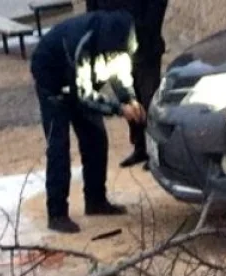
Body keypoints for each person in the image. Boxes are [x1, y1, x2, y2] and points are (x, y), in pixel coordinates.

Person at [29, 10, 148, 234]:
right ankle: (57, 213)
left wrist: (130, 99)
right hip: (52, 80)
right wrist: (119, 109)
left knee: (96, 138)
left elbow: (119, 73)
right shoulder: (81, 45)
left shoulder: (119, 40)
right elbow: (84, 96)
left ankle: (95, 200)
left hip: (79, 80)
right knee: (59, 146)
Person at [86, 0, 169, 168]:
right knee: (128, 97)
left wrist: (147, 28)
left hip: (144, 43)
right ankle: (140, 147)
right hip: (113, 45)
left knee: (149, 98)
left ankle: (157, 151)